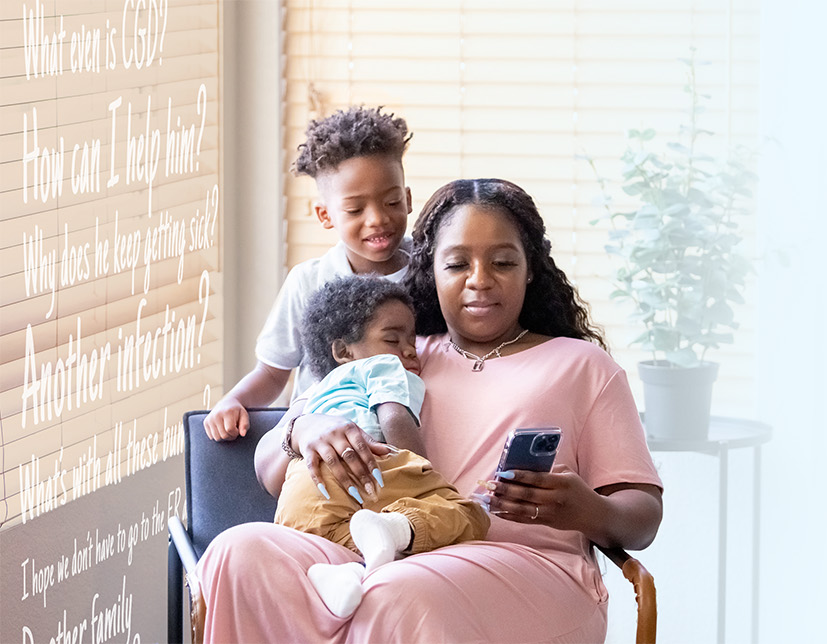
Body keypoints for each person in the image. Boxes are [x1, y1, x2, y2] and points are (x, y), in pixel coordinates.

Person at [197, 179, 663, 642]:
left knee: (396, 592)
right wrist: (302, 427)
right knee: (237, 551)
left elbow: (642, 516)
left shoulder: (584, 367)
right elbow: (268, 470)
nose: (479, 279)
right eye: (457, 263)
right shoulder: (391, 354)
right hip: (374, 554)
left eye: (503, 262)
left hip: (528, 569)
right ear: (431, 271)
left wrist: (590, 509)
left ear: (531, 269)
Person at [275, 275, 489, 619]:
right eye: (393, 339)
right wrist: (420, 469)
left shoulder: (316, 390)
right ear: (344, 351)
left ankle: (340, 573)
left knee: (349, 541)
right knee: (469, 515)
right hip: (366, 465)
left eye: (412, 341)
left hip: (302, 490)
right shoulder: (382, 366)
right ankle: (395, 526)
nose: (407, 350)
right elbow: (393, 415)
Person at [204, 106, 414, 441]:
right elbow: (273, 373)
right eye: (355, 209)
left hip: (402, 440)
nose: (377, 219)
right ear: (325, 215)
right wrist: (234, 401)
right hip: (322, 446)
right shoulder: (309, 282)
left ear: (407, 199)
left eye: (391, 203)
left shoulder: (431, 271)